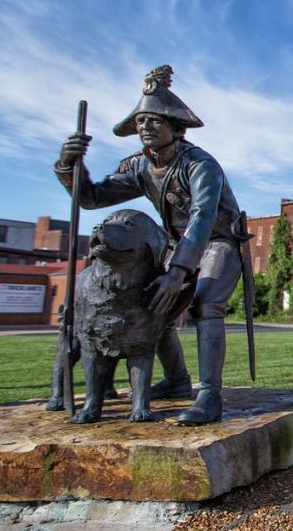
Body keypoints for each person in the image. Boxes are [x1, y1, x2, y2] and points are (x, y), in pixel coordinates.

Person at [55, 65, 246, 425]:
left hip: (218, 243)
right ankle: (176, 380)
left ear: (175, 126)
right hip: (182, 247)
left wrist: (177, 272)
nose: (145, 126)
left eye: (154, 120)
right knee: (152, 302)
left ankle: (209, 396)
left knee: (206, 303)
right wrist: (69, 165)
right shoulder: (140, 167)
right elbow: (92, 198)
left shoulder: (201, 165)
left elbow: (203, 217)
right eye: (141, 120)